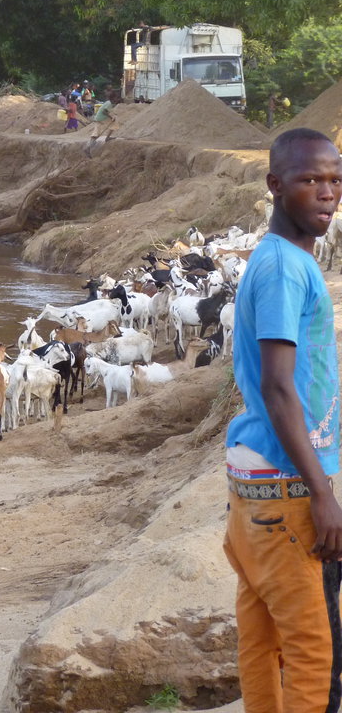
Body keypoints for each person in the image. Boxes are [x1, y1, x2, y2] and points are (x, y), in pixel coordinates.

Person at [224, 127, 342, 713]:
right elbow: (276, 386)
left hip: (257, 488)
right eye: (310, 180)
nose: (326, 194)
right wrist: (321, 492)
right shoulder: (283, 270)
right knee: (314, 649)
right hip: (288, 488)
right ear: (275, 186)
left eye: (334, 180)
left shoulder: (282, 260)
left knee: (262, 637)